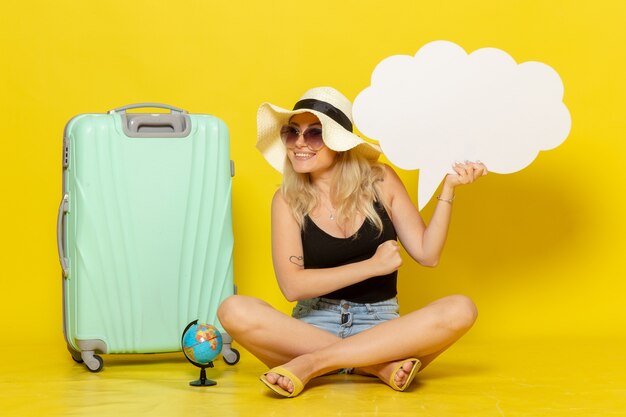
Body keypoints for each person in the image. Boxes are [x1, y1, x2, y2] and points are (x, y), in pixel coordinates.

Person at [217, 86, 488, 397]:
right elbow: (294, 288)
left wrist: (449, 188)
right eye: (292, 133)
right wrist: (372, 266)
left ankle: (312, 365)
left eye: (314, 133)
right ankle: (376, 366)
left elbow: (428, 254)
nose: (300, 143)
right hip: (310, 328)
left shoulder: (381, 179)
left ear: (339, 142)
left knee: (461, 309)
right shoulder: (286, 199)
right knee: (233, 309)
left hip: (381, 328)